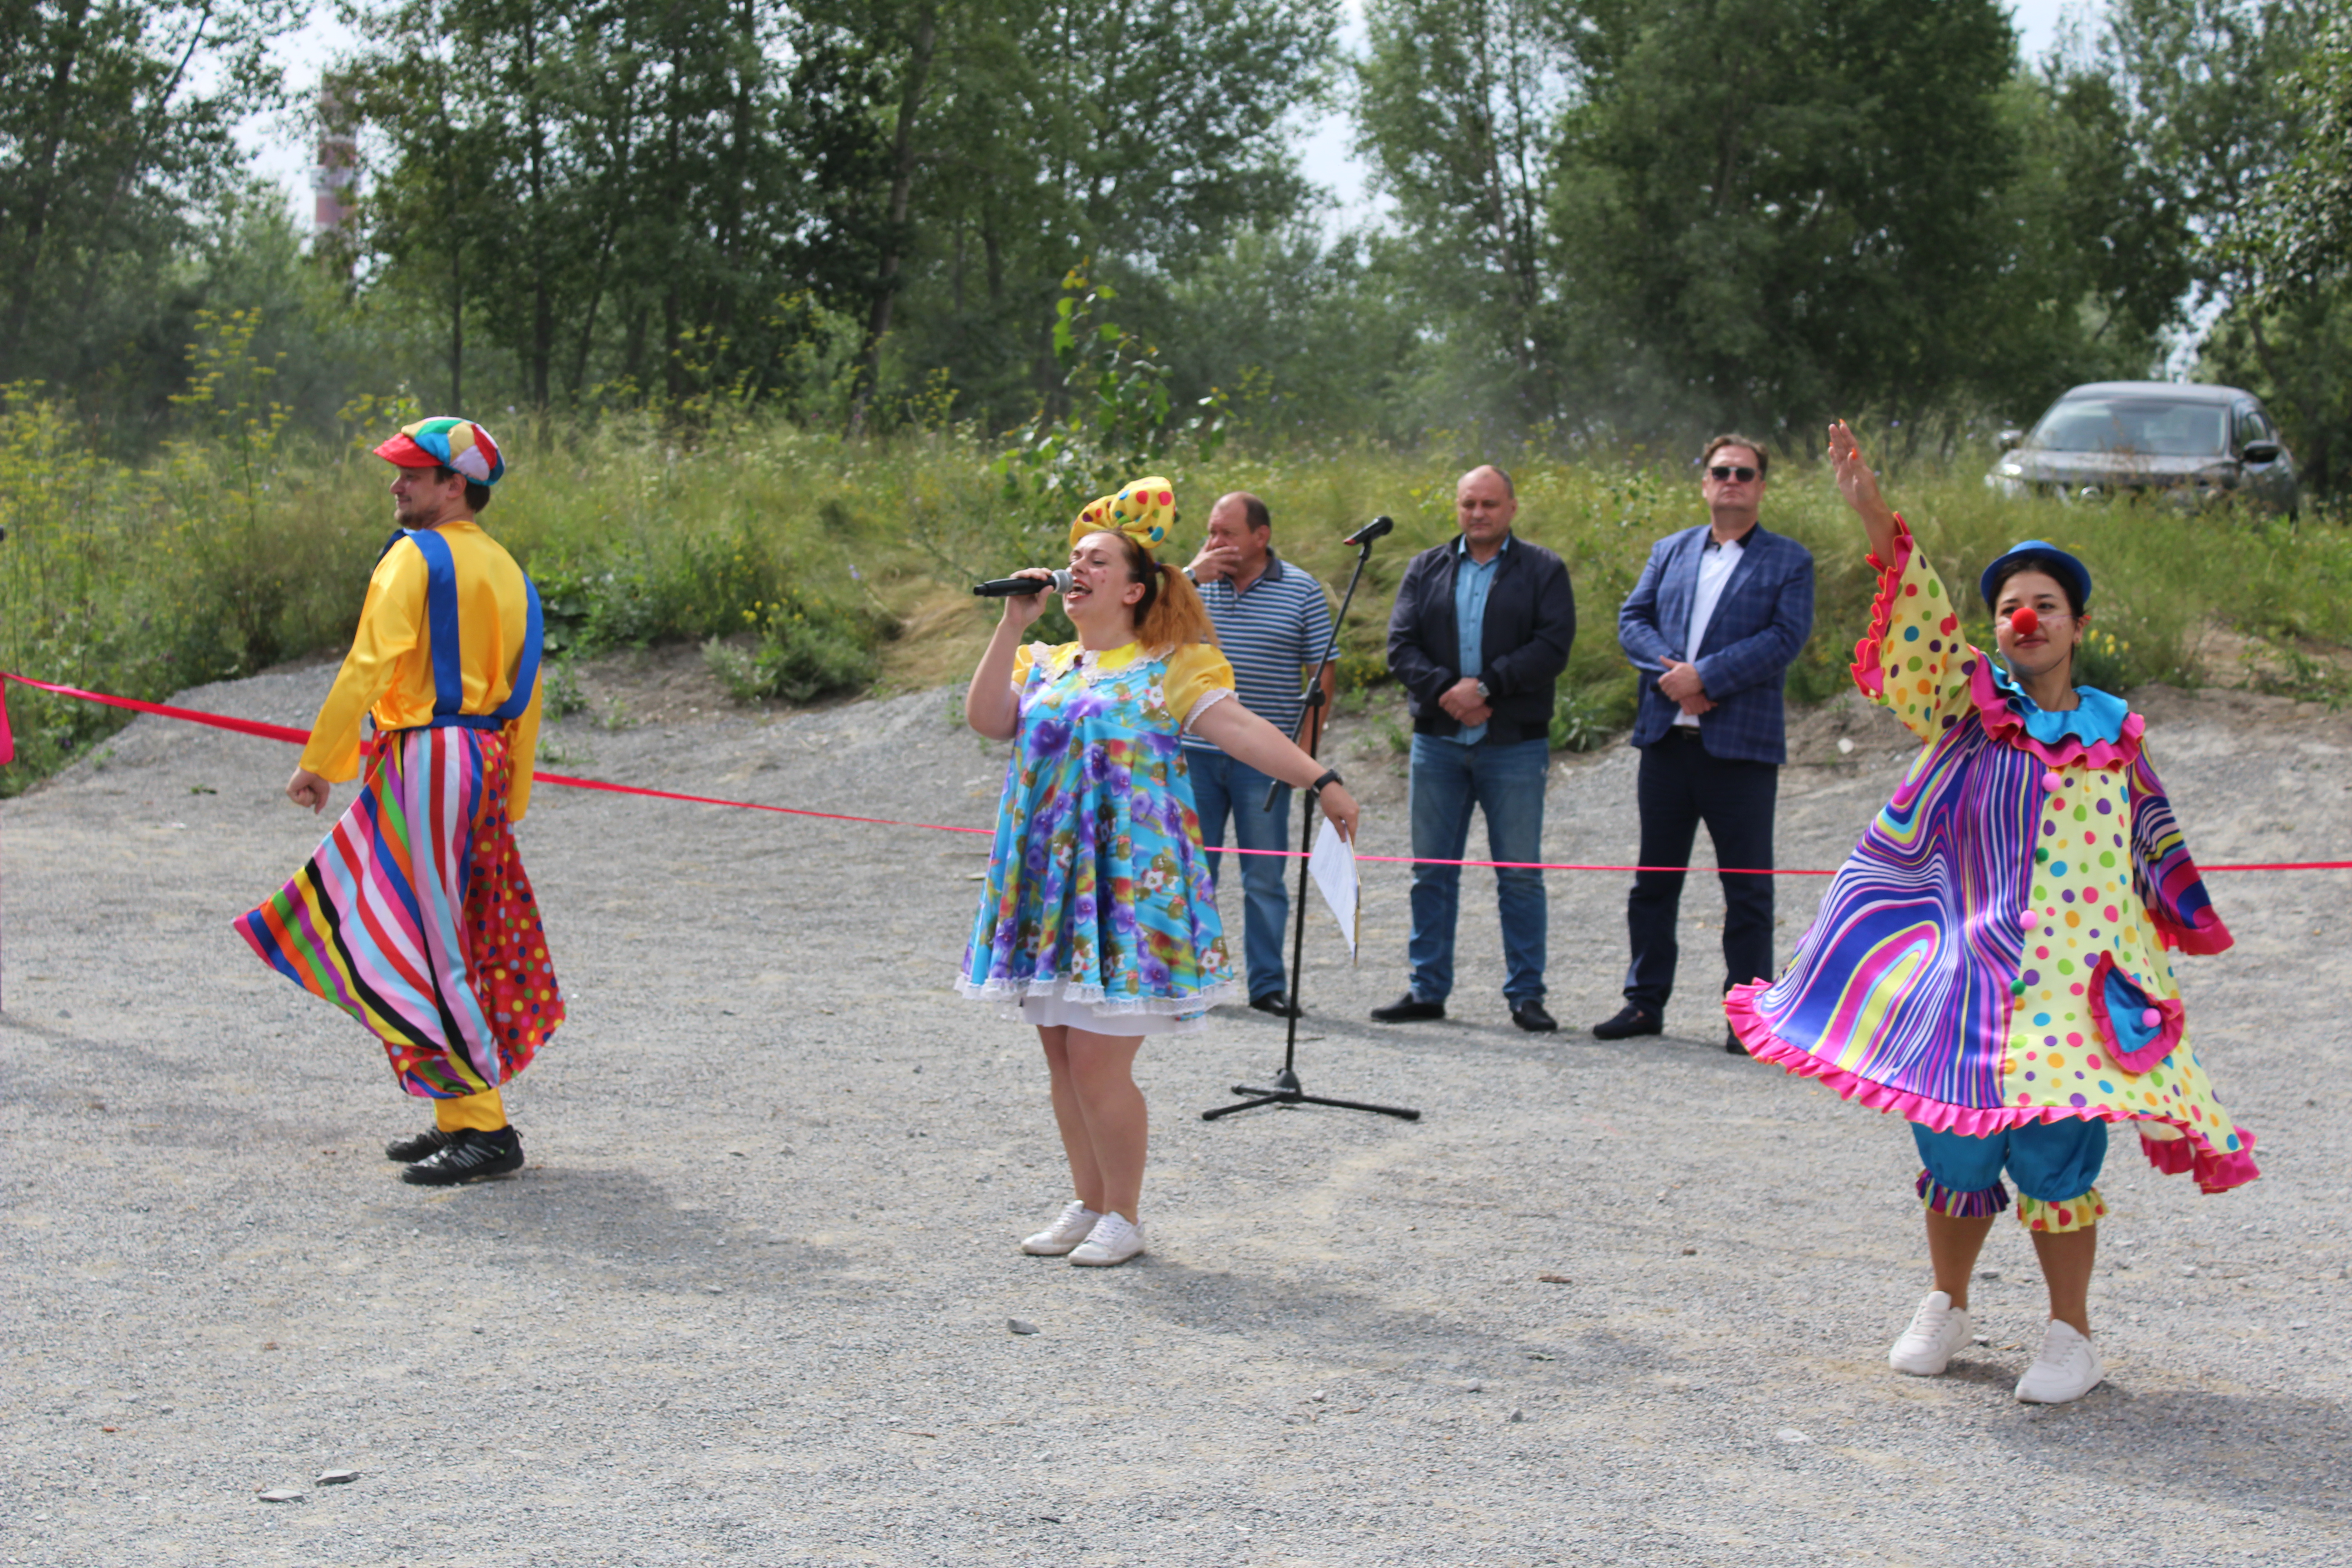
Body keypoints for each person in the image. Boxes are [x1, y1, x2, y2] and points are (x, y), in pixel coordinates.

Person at [1728, 421, 2256, 1405]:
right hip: (1968, 975)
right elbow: (1919, 620)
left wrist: (2185, 917)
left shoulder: (2114, 737)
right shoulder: (1967, 704)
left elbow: (2151, 837)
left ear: (2077, 625)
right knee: (1957, 1147)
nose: (2025, 618)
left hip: (2071, 992)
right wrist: (1880, 522)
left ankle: (2069, 1335)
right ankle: (1947, 1301)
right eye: (2010, 606)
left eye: (2045, 605)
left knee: (2057, 1155)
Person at [960, 478, 1360, 1268]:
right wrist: (1011, 625)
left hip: (1125, 892)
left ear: (1134, 587)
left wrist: (1319, 777)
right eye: (1072, 557)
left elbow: (1242, 729)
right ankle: (1085, 1199)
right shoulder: (1047, 662)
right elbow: (987, 719)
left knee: (1098, 1061)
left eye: (1096, 559)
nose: (1077, 568)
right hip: (1048, 889)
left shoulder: (1169, 665)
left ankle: (1125, 1213)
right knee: (1059, 1057)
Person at [238, 416, 562, 1186]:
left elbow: (368, 662)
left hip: (428, 755)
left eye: (413, 474)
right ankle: (456, 1110)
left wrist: (322, 762)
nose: (396, 484)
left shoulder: (416, 557)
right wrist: (509, 793)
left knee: (432, 941)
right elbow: (527, 694)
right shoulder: (508, 571)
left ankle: (484, 1125)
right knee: (429, 931)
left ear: (457, 486)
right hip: (475, 760)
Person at [1599, 436, 1815, 1054]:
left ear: (1761, 487)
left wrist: (1707, 677)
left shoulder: (1789, 560)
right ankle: (1644, 1004)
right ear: (1704, 482)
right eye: (1722, 472)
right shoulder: (1669, 551)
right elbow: (1631, 620)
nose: (1732, 481)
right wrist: (1674, 675)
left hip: (1741, 750)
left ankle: (1746, 1020)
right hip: (1667, 741)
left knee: (1747, 888)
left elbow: (1784, 638)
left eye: (1745, 474)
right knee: (1654, 881)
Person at [1373, 465, 1576, 1031]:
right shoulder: (1426, 568)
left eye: (1489, 503)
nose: (1478, 513)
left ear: (1512, 508)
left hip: (1513, 745)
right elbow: (1400, 646)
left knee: (1518, 874)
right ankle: (1426, 989)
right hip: (1437, 743)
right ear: (1457, 508)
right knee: (1431, 872)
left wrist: (1487, 686)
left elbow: (1553, 645)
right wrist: (1448, 692)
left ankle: (1526, 995)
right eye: (1468, 504)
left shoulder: (1543, 569)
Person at [1182, 491, 1336, 1018]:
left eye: (1226, 533)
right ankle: (1190, 978)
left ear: (1260, 537)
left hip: (1263, 760)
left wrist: (1305, 760)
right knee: (1192, 871)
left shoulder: (1301, 590)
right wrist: (1192, 575)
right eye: (1211, 531)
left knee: (1265, 877)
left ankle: (1267, 985)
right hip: (1193, 754)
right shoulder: (1192, 586)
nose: (1214, 542)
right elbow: (1144, 623)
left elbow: (1322, 674)